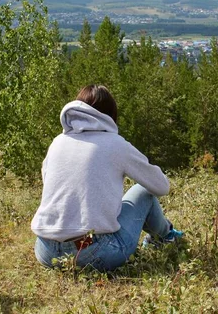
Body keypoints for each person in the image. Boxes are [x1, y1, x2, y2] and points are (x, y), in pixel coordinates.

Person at [31, 84, 183, 272]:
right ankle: (166, 237)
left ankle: (163, 238)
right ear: (110, 115)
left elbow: (49, 181)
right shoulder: (116, 144)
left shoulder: (57, 142)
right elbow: (161, 186)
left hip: (46, 251)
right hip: (94, 252)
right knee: (143, 191)